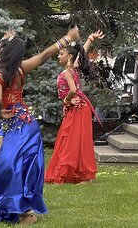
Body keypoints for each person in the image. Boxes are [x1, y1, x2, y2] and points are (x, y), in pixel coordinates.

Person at [0, 27, 80, 225]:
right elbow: (45, 54)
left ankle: (25, 212)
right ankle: (23, 209)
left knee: (9, 167)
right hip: (28, 124)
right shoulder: (20, 69)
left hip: (15, 124)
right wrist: (67, 38)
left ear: (3, 52)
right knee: (24, 166)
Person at [45, 30, 104, 184]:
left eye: (61, 54)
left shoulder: (67, 72)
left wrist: (67, 100)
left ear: (69, 57)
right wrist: (90, 39)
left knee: (76, 139)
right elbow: (81, 51)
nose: (58, 56)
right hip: (77, 108)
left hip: (77, 107)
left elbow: (72, 90)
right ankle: (77, 173)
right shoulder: (74, 68)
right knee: (74, 139)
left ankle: (82, 174)